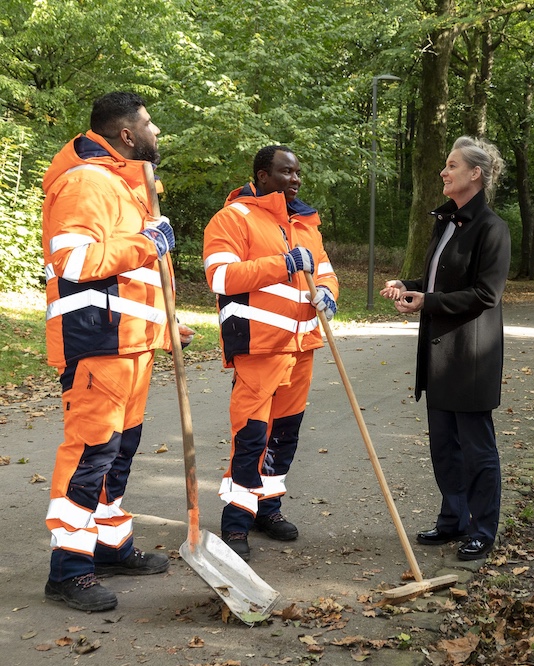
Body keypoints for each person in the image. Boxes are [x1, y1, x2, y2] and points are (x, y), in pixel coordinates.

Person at [41, 91, 194, 612]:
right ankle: (68, 569)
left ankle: (108, 546)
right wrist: (147, 242)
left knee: (118, 452)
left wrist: (165, 322)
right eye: (150, 123)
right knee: (89, 453)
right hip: (97, 341)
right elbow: (74, 261)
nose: (157, 133)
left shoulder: (127, 187)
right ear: (126, 134)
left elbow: (130, 278)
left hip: (131, 341)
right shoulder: (86, 181)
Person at [202, 145, 339, 561]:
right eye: (286, 172)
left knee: (284, 436)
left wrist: (328, 294)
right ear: (262, 176)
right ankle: (237, 521)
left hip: (302, 347)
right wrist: (284, 263)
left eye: (298, 172)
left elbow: (326, 272)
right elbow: (221, 276)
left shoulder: (306, 224)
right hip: (258, 348)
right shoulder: (233, 218)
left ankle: (268, 508)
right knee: (251, 437)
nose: (295, 179)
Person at [380, 136, 510, 562]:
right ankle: (453, 518)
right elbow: (438, 280)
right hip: (438, 354)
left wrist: (428, 302)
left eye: (452, 165)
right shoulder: (445, 222)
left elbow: (486, 294)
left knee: (476, 448)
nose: (443, 171)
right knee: (444, 447)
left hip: (470, 356)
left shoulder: (492, 228)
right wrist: (409, 287)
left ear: (475, 174)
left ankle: (482, 527)